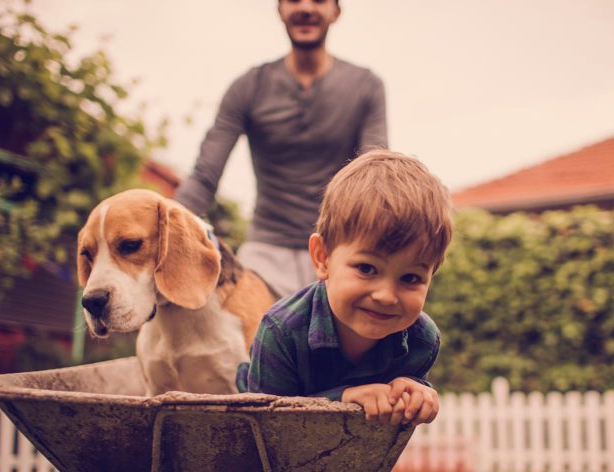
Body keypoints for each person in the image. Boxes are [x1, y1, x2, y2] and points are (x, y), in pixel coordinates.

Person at [175, 0, 388, 298]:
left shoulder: (365, 86)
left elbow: (373, 174)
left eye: (318, 0)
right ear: (279, 10)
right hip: (265, 253)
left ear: (336, 12)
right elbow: (205, 175)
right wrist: (168, 229)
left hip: (339, 249)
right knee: (256, 335)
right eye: (293, 0)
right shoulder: (247, 88)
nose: (305, 8)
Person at [237, 150, 453, 426]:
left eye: (410, 278)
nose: (386, 296)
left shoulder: (422, 341)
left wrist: (415, 390)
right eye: (366, 268)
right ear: (322, 258)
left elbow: (382, 439)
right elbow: (267, 428)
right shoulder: (281, 332)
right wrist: (343, 399)